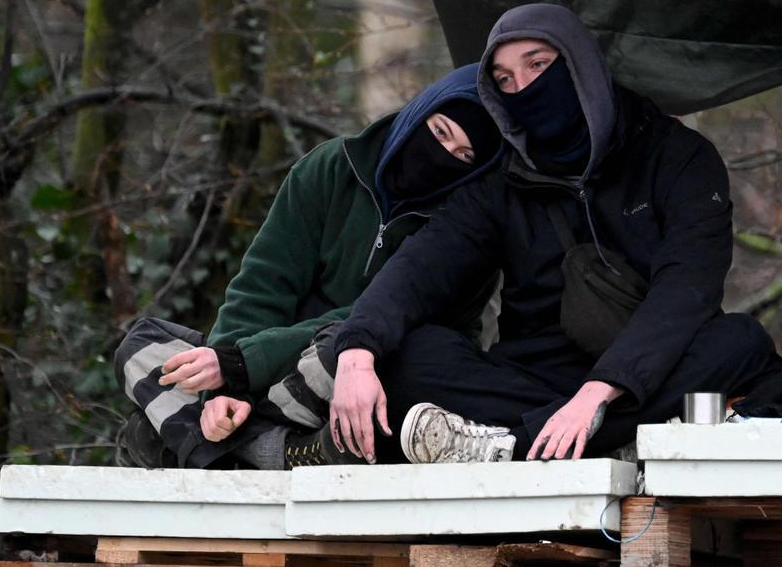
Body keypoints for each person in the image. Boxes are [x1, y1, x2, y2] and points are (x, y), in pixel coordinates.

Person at [325, 3, 782, 465]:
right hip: (528, 382)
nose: (523, 88)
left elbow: (687, 289)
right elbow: (420, 267)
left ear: (578, 63)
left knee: (739, 343)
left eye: (538, 65)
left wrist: (599, 393)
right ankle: (606, 443)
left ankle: (511, 448)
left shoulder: (677, 157)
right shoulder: (500, 184)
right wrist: (357, 351)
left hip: (643, 375)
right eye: (505, 80)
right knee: (411, 353)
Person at [113, 63, 503, 469]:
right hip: (264, 376)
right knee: (141, 344)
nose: (441, 156)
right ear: (418, 113)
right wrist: (224, 389)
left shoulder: (460, 230)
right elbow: (262, 286)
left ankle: (190, 440)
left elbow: (370, 319)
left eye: (464, 156)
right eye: (439, 132)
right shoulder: (332, 167)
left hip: (358, 380)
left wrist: (243, 365)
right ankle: (275, 451)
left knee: (346, 347)